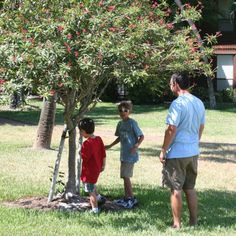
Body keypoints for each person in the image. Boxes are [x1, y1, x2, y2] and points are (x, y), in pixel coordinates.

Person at [159, 73, 205, 229]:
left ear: (176, 84)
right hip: (193, 152)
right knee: (190, 188)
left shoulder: (177, 104)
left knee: (176, 189)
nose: (169, 85)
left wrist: (163, 149)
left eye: (170, 83)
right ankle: (193, 222)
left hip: (178, 153)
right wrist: (194, 142)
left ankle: (177, 224)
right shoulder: (198, 102)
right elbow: (201, 126)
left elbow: (171, 129)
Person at [106, 101, 144, 209]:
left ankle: (131, 199)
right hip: (123, 154)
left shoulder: (132, 123)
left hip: (130, 154)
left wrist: (136, 146)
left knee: (126, 176)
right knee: (124, 176)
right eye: (120, 110)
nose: (123, 112)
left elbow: (141, 136)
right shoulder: (120, 124)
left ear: (129, 111)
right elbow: (120, 137)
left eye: (125, 110)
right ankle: (126, 197)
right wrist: (110, 146)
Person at [78, 118, 106, 214]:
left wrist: (80, 151)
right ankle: (99, 198)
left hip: (89, 171)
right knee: (92, 186)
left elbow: (84, 157)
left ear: (83, 131)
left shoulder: (87, 143)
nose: (80, 134)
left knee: (91, 192)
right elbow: (103, 153)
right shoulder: (98, 139)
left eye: (80, 132)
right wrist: (103, 165)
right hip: (97, 168)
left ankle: (95, 209)